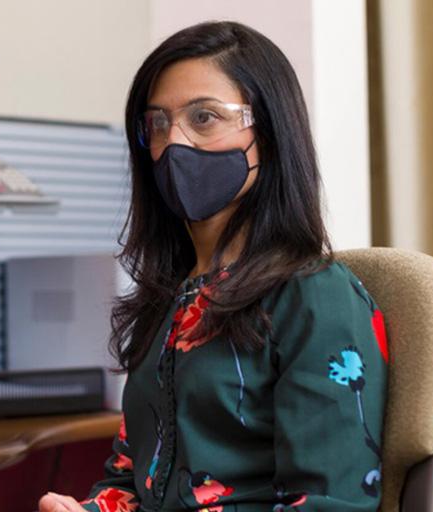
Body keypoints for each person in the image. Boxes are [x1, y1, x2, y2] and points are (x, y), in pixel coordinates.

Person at [39, 21, 389, 512]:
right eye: (157, 123)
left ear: (268, 132)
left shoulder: (315, 295)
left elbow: (330, 503)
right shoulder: (167, 300)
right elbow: (131, 479)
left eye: (204, 117)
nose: (174, 142)